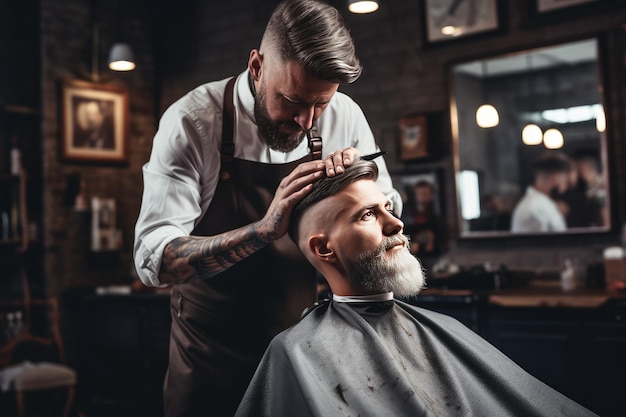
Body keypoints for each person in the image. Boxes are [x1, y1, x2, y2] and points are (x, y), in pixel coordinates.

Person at [133, 1, 401, 416]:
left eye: (321, 104)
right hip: (211, 357)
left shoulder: (343, 116)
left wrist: (353, 184)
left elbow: (385, 210)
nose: (306, 121)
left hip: (305, 352)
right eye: (291, 100)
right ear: (257, 66)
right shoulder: (192, 122)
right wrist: (262, 230)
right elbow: (155, 262)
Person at [234, 160, 597, 417]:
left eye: (387, 207)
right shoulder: (295, 353)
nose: (396, 223)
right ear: (323, 248)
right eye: (367, 215)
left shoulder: (446, 329)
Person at [511, 151, 570, 233]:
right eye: (565, 181)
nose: (566, 187)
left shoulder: (542, 204)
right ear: (555, 179)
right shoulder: (534, 209)